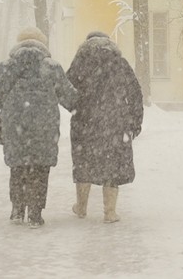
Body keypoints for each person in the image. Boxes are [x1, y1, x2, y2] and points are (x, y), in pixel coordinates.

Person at [0, 26, 77, 228]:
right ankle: (35, 213)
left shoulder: (7, 66)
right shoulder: (51, 67)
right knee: (40, 167)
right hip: (44, 125)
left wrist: (11, 104)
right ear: (42, 44)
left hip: (15, 124)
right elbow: (69, 98)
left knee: (18, 166)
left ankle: (17, 209)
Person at [66, 31, 144, 223]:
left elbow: (66, 91)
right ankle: (109, 212)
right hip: (115, 122)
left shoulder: (80, 63)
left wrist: (77, 108)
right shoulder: (120, 64)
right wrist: (135, 122)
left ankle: (81, 207)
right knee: (112, 166)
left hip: (85, 122)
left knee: (84, 163)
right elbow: (135, 93)